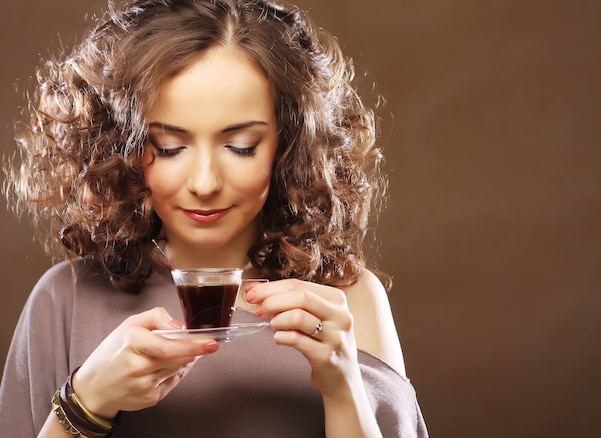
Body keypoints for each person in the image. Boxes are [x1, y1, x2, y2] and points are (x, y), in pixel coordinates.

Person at [0, 0, 428, 436]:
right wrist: (86, 402)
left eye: (241, 146)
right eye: (168, 147)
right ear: (118, 146)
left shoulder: (349, 301)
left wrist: (343, 385)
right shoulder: (65, 299)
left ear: (289, 144)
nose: (204, 183)